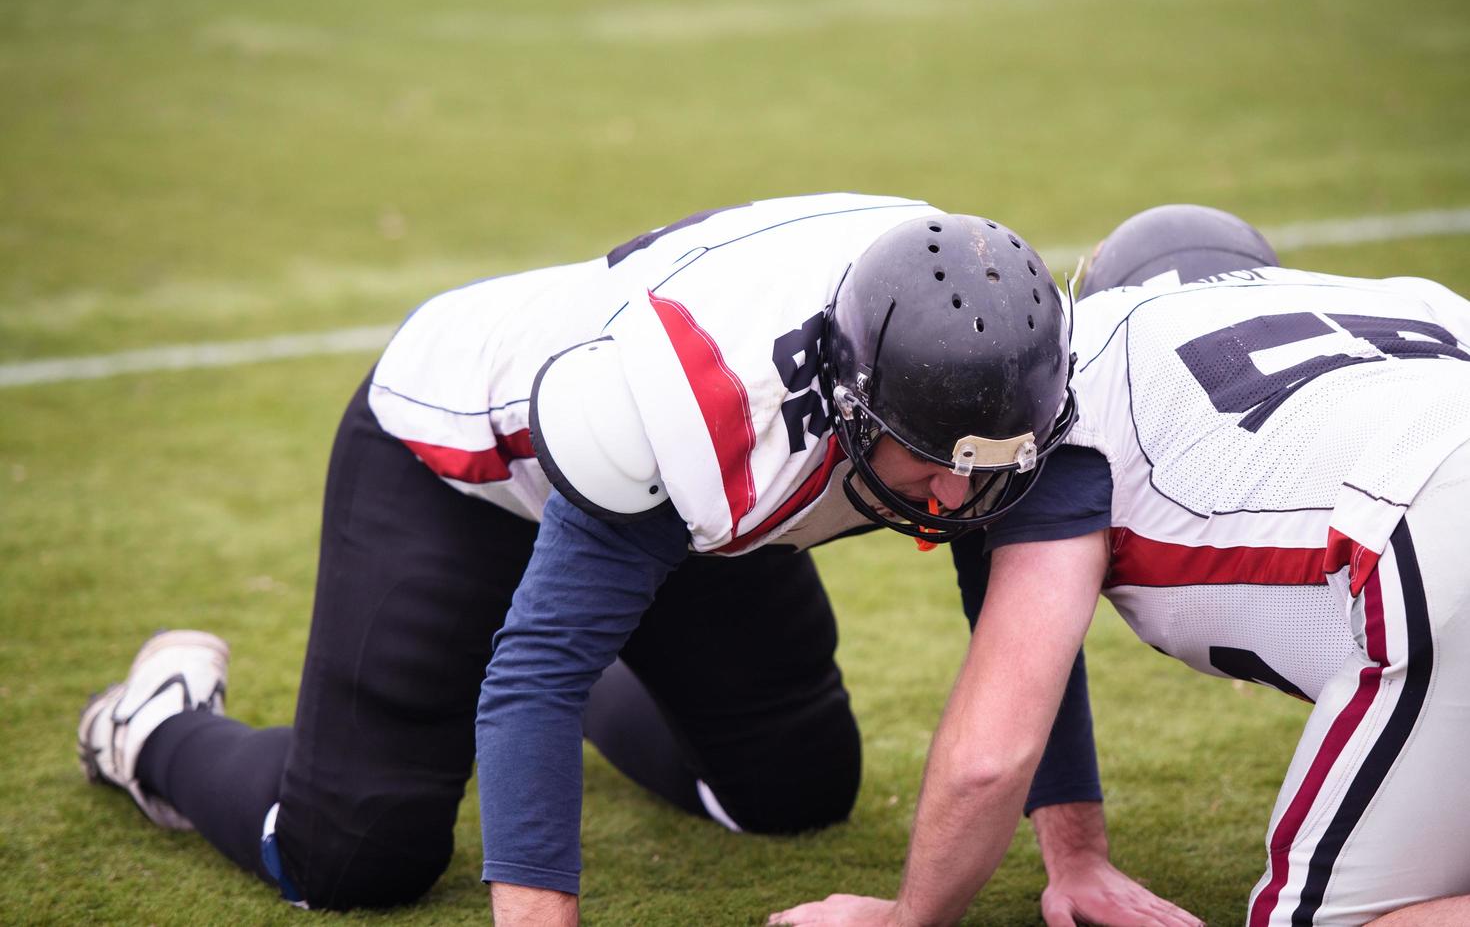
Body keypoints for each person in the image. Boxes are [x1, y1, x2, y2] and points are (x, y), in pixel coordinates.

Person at [75, 193, 1194, 925]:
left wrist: (1076, 857)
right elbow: (537, 675)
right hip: (465, 453)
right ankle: (155, 724)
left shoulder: (1008, 373)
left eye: (988, 465)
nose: (960, 498)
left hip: (686, 503)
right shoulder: (709, 415)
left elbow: (1019, 618)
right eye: (927, 467)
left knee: (791, 791)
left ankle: (616, 619)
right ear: (849, 404)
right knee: (358, 854)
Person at [770, 204, 1470, 927]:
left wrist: (900, 920)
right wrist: (1076, 855)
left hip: (1423, 531)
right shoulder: (1412, 296)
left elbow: (991, 756)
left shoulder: (1091, 369)